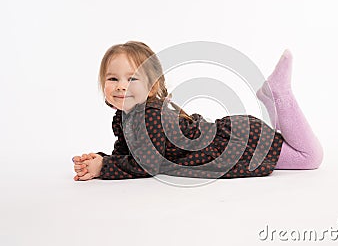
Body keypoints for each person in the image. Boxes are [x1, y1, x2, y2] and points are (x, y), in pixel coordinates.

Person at [72, 41, 323, 181]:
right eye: (112, 78)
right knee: (294, 149)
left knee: (310, 158)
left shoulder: (150, 116)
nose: (121, 86)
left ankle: (280, 95)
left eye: (132, 79)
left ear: (153, 86)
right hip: (237, 135)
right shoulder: (125, 116)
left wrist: (104, 169)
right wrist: (100, 160)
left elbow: (147, 164)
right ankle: (270, 103)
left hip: (240, 145)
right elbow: (127, 153)